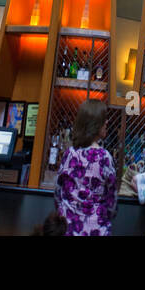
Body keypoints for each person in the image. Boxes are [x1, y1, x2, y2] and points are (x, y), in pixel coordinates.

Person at [54, 100, 116, 236]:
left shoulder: (69, 154)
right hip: (96, 229)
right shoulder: (105, 157)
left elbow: (58, 192)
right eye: (103, 119)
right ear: (94, 124)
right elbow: (111, 201)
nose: (107, 122)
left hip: (68, 228)